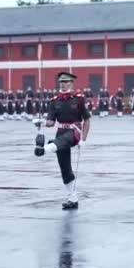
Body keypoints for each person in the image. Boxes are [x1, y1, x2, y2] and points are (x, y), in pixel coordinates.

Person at [34, 72, 91, 210]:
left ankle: (46, 149)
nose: (63, 84)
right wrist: (41, 122)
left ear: (72, 83)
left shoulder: (79, 99)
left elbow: (87, 119)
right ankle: (72, 198)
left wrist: (83, 139)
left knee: (60, 142)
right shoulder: (55, 101)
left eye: (66, 82)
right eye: (61, 82)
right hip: (61, 133)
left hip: (74, 131)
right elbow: (51, 122)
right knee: (65, 168)